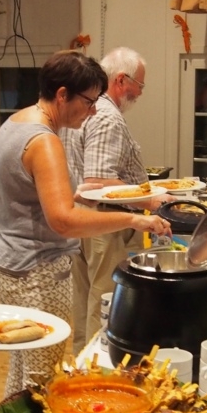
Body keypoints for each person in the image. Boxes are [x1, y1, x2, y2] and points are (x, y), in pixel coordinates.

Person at [0, 49, 172, 395]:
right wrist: (134, 218)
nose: (93, 110)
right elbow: (64, 221)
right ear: (61, 94)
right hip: (35, 271)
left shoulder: (17, 121)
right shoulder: (44, 142)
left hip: (6, 259)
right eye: (89, 101)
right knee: (42, 378)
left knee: (24, 363)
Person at [67, 47, 170, 354]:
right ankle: (99, 367)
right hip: (107, 225)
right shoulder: (108, 116)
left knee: (84, 298)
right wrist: (150, 199)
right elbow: (97, 182)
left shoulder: (85, 111)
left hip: (82, 218)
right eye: (140, 85)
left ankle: (83, 363)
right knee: (107, 300)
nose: (140, 93)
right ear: (121, 80)